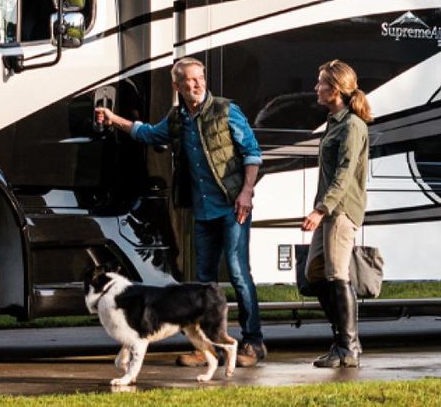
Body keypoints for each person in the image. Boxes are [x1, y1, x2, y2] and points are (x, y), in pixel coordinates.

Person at [94, 56, 267, 367]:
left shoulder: (226, 110)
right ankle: (207, 347)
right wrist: (114, 119)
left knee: (239, 274)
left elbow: (253, 153)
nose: (195, 84)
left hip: (232, 206)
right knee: (202, 282)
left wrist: (246, 193)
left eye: (199, 78)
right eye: (188, 80)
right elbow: (147, 134)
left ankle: (253, 342)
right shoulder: (178, 118)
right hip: (203, 212)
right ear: (176, 85)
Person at [301, 59, 371, 368]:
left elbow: (344, 174)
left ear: (337, 89)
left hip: (340, 210)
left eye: (321, 83)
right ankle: (342, 340)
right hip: (329, 209)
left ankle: (348, 348)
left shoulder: (353, 126)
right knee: (314, 274)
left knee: (335, 274)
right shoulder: (335, 122)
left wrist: (321, 209)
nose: (316, 88)